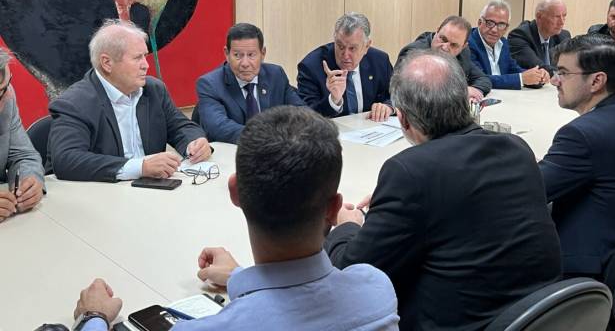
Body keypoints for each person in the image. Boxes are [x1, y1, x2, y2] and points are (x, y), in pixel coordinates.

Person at [71, 107, 399, 331]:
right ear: (333, 208)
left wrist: (94, 317)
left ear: (234, 192)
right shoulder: (376, 290)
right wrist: (241, 277)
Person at [325, 49, 562, 330]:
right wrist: (393, 205)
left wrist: (346, 225)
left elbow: (352, 272)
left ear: (403, 119)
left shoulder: (410, 172)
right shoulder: (516, 149)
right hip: (545, 314)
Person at [47, 20, 211, 182]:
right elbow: (67, 159)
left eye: (145, 56)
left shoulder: (153, 90)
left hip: (153, 189)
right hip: (102, 193)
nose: (146, 65)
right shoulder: (75, 103)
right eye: (137, 58)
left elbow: (181, 127)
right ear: (107, 63)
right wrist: (139, 167)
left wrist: (194, 143)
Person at [539, 34, 615, 279]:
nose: (555, 81)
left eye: (563, 73)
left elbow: (528, 191)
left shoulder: (581, 135)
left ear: (596, 81)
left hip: (581, 270)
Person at [196, 23, 305, 144]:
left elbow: (301, 113)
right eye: (237, 55)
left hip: (274, 149)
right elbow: (217, 127)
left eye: (251, 55)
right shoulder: (210, 84)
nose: (245, 63)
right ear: (227, 53)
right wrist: (267, 136)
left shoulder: (276, 75)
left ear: (262, 54)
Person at [297, 13, 394, 121]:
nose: (345, 55)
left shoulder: (379, 61)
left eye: (352, 48)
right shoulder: (311, 67)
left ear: (366, 46)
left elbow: (398, 95)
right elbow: (306, 117)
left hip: (372, 127)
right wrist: (333, 101)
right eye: (340, 46)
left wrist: (389, 106)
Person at [396, 16, 492, 102]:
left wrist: (475, 92)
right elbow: (408, 92)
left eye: (453, 45)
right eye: (443, 39)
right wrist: (462, 91)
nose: (445, 47)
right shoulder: (413, 53)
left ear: (463, 46)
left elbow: (482, 79)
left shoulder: (463, 54)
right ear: (437, 31)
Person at [0, 48, 44, 222]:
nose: (9, 96)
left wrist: (29, 180)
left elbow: (23, 155)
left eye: (5, 86)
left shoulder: (7, 97)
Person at [468, 0, 550, 89]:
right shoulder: (468, 43)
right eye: (490, 23)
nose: (494, 30)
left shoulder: (503, 43)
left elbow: (513, 69)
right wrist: (521, 79)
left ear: (506, 28)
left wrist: (537, 76)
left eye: (501, 25)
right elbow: (480, 78)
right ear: (480, 22)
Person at [508, 0, 571, 73]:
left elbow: (571, 66)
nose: (562, 22)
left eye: (564, 16)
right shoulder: (519, 36)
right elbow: (539, 68)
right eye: (556, 17)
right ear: (539, 16)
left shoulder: (563, 36)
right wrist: (564, 74)